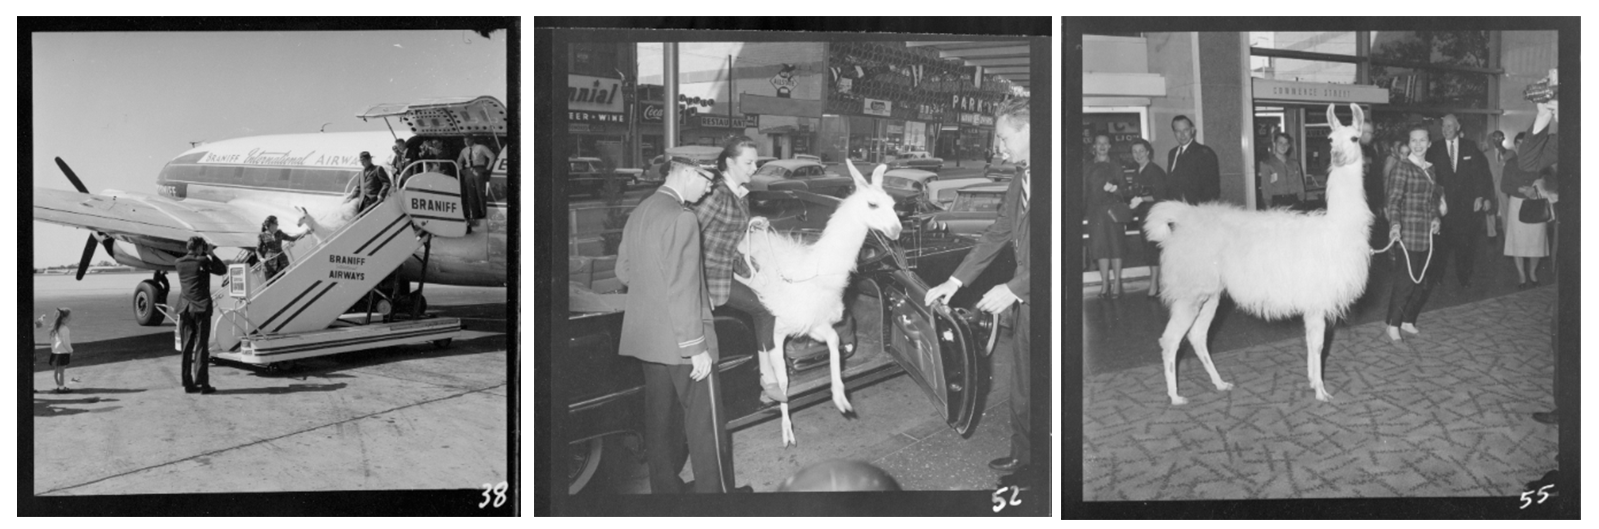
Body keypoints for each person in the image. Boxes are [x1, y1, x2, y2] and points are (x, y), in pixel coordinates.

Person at [924, 96, 1034, 491]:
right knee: (1024, 384)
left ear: (1029, 130)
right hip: (1027, 302)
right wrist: (954, 282)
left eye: (1004, 138)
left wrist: (1015, 287)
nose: (999, 148)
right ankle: (1025, 456)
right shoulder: (1022, 178)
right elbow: (997, 234)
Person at [616, 159, 741, 494]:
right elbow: (683, 289)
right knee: (705, 428)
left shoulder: (641, 210)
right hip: (683, 342)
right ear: (687, 172)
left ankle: (667, 494)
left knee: (658, 423)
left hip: (648, 341)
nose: (710, 187)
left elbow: (624, 273)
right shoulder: (683, 218)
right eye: (707, 178)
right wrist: (695, 348)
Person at [692, 136, 783, 403]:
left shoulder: (738, 192)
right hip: (710, 276)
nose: (755, 168)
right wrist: (698, 285)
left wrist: (750, 224)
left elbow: (727, 232)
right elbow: (688, 234)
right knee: (765, 310)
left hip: (726, 270)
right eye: (749, 162)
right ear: (730, 162)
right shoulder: (717, 194)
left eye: (756, 161)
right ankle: (767, 378)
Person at [1382, 125, 1444, 346]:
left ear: (1428, 143)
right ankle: (1393, 325)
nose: (1418, 145)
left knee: (1421, 282)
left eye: (1422, 140)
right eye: (1413, 141)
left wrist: (1436, 218)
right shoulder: (1402, 167)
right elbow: (1394, 201)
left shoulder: (1430, 168)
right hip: (1407, 232)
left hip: (1426, 233)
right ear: (1409, 144)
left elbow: (1431, 201)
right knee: (1405, 282)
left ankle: (1408, 320)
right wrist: (1395, 225)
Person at [1427, 114, 1494, 289]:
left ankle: (1464, 278)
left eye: (1450, 126)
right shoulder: (1434, 149)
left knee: (1465, 245)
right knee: (1440, 245)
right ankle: (1437, 277)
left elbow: (1481, 174)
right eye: (1443, 126)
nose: (1446, 129)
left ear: (1458, 127)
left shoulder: (1470, 147)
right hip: (1442, 207)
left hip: (1465, 207)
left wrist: (1482, 196)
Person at [176, 236, 227, 394]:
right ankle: (203, 383)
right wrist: (211, 253)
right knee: (201, 346)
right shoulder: (203, 261)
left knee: (187, 346)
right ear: (199, 248)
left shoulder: (178, 263)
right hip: (201, 308)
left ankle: (187, 383)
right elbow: (222, 270)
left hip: (185, 308)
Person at [1084, 133, 1125, 298]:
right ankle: (1104, 283)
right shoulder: (1086, 166)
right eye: (1098, 143)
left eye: (1105, 143)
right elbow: (1083, 191)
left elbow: (1125, 192)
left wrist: (1115, 190)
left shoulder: (1116, 166)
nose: (1101, 146)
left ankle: (1116, 284)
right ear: (1094, 146)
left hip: (1113, 212)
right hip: (1095, 213)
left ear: (1109, 146)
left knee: (1116, 247)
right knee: (1100, 248)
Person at [1126, 138, 1168, 297]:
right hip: (1144, 215)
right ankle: (1156, 284)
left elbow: (1161, 195)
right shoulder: (1137, 172)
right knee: (1149, 250)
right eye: (1134, 152)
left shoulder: (1155, 171)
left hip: (1155, 216)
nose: (1138, 155)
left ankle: (1155, 285)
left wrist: (1142, 199)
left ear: (1148, 152)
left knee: (1154, 250)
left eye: (1141, 151)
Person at [1166, 115, 1220, 204]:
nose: (1182, 135)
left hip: (1196, 210)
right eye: (1178, 131)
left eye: (1185, 130)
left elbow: (1212, 190)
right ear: (1174, 133)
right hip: (1176, 209)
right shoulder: (1172, 153)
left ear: (1192, 130)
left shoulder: (1204, 153)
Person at [1259, 132, 1307, 209]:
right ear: (1274, 144)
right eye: (1280, 142)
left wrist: (1302, 201)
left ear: (1288, 146)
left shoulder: (1295, 164)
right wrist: (1268, 205)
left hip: (1295, 201)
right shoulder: (1267, 164)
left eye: (1286, 143)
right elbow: (1266, 188)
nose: (1283, 146)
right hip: (1277, 202)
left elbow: (1300, 185)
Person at [34, 308, 74, 393]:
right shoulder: (65, 329)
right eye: (69, 317)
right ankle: (61, 388)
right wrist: (70, 350)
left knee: (57, 371)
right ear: (64, 319)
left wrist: (54, 349)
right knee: (61, 371)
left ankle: (59, 386)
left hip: (55, 352)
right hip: (63, 353)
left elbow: (52, 341)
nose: (70, 319)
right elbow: (66, 343)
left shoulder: (54, 328)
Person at [257, 215, 308, 282]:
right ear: (271, 225)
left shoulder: (279, 233)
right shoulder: (262, 235)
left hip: (281, 262)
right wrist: (261, 258)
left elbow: (292, 238)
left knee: (281, 281)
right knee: (270, 284)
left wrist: (304, 233)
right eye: (276, 223)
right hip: (268, 265)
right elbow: (257, 250)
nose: (277, 225)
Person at [458, 135, 495, 224]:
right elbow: (459, 160)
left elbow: (491, 156)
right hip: (468, 171)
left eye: (467, 140)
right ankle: (474, 215)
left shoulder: (481, 147)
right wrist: (461, 170)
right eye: (464, 141)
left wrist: (488, 168)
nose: (466, 143)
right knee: (471, 194)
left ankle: (483, 213)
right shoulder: (464, 150)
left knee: (480, 192)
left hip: (478, 169)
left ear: (472, 140)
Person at [1483, 130, 1511, 240]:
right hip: (1491, 185)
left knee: (1506, 209)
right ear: (1492, 139)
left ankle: (1507, 234)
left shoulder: (1509, 154)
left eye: (1499, 138)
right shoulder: (1486, 154)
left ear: (1503, 139)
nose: (1497, 140)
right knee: (1490, 209)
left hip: (1503, 185)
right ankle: (1491, 233)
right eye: (1494, 138)